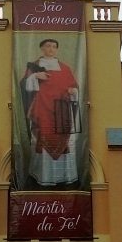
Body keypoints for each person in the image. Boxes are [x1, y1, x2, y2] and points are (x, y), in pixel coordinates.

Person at [23, 38, 80, 186]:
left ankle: (64, 177)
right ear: (42, 48)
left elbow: (73, 86)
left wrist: (73, 91)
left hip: (62, 110)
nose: (51, 49)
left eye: (54, 46)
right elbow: (24, 86)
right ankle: (44, 176)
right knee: (43, 138)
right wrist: (35, 76)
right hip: (42, 109)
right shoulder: (35, 66)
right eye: (48, 46)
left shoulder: (65, 68)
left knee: (64, 141)